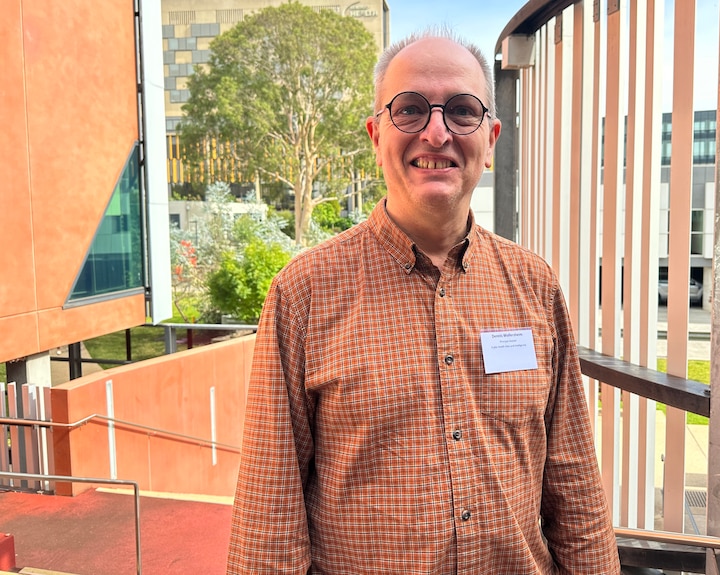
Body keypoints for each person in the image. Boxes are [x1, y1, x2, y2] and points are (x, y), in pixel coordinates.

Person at [227, 27, 620, 575]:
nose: (436, 133)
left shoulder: (535, 284)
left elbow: (572, 476)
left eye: (462, 111)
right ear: (375, 134)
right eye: (410, 109)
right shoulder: (305, 292)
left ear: (492, 138)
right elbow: (270, 504)